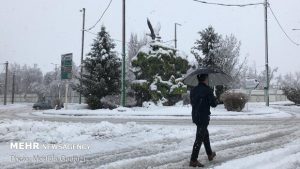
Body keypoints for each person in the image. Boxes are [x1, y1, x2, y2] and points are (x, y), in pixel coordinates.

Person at [189, 74, 217, 167]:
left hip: (196, 116)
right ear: (205, 79)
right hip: (203, 117)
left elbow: (193, 102)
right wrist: (213, 96)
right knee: (199, 138)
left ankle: (209, 154)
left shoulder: (193, 90)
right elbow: (213, 104)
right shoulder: (208, 90)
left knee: (205, 135)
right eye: (207, 78)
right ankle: (193, 160)